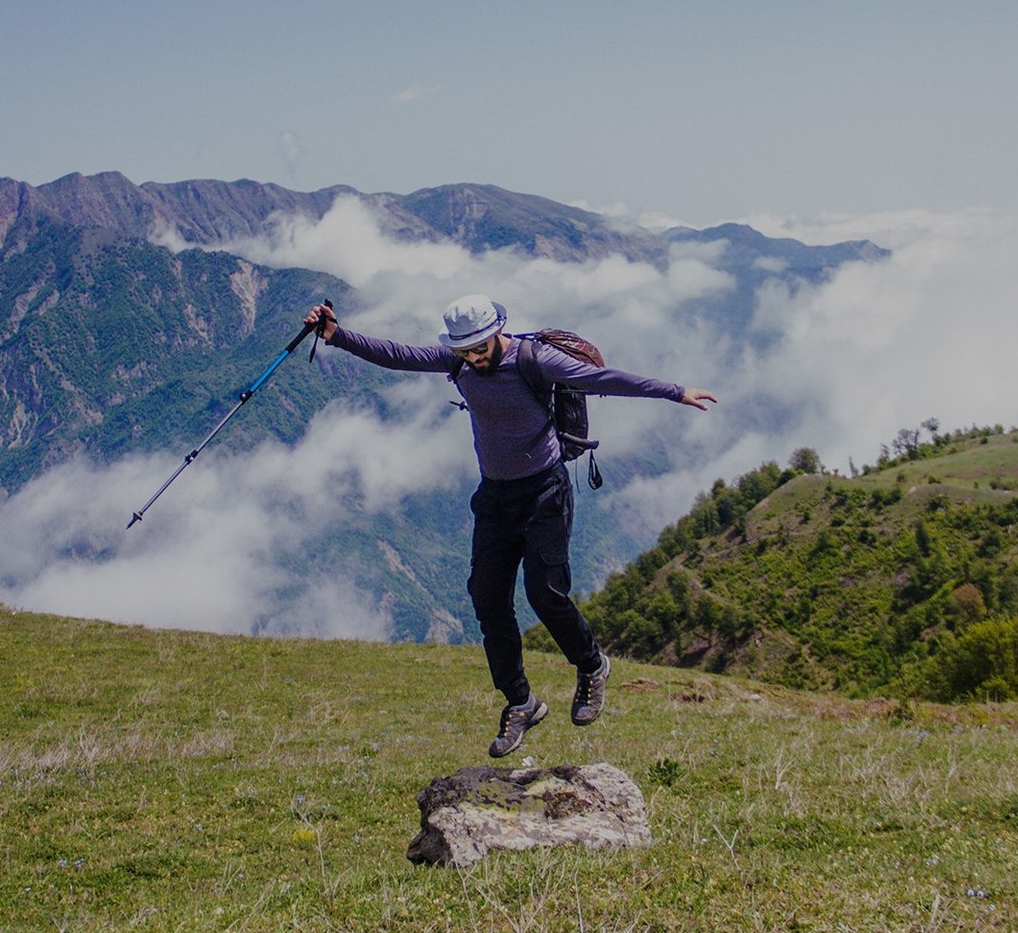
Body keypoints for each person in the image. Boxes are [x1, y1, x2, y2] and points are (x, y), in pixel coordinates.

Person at [304, 295, 717, 757]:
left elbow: (604, 379)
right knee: (487, 597)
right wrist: (336, 335)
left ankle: (592, 665)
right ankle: (522, 702)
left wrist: (675, 390)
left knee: (546, 593)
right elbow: (398, 355)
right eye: (465, 352)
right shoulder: (458, 362)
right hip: (495, 497)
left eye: (480, 348)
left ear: (498, 332)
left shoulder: (535, 360)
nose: (475, 359)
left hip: (545, 493)